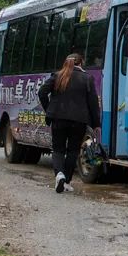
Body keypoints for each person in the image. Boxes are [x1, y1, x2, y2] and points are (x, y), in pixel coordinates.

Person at [38, 53, 101, 193]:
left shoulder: (57, 76)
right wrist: (96, 124)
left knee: (58, 149)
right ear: (81, 63)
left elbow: (42, 92)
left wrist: (49, 110)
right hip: (79, 121)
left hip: (58, 119)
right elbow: (93, 104)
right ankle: (66, 181)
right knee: (73, 151)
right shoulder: (87, 78)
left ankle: (59, 174)